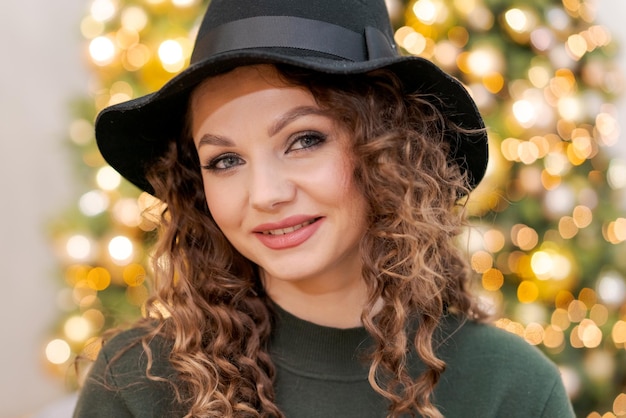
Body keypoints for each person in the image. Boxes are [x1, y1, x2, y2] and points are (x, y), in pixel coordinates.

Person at [73, 0, 576, 417]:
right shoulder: (138, 381)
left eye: (304, 140)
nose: (265, 194)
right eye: (225, 159)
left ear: (387, 150)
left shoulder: (513, 390)